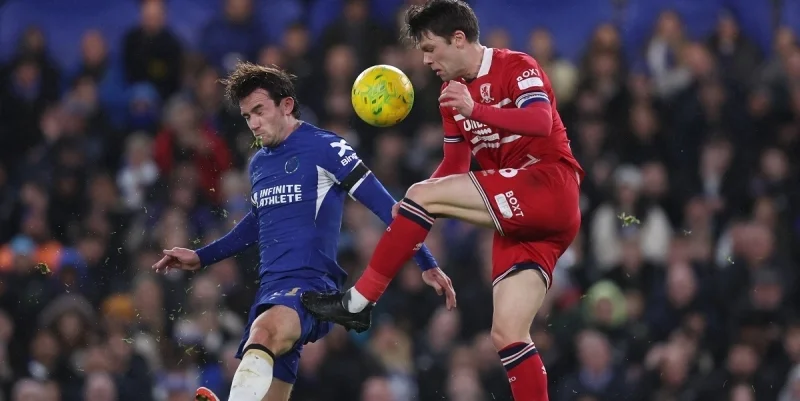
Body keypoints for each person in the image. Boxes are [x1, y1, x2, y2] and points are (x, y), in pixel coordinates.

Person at [300, 1, 584, 400]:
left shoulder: (517, 66)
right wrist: (415, 208)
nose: (426, 60)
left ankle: (359, 301)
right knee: (508, 334)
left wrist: (475, 111)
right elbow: (455, 164)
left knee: (421, 195)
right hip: (522, 218)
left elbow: (540, 121)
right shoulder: (451, 95)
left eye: (431, 49)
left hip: (548, 186)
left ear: (459, 39)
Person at [151, 61, 456, 401]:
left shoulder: (327, 148)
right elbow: (257, 222)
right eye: (247, 116)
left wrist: (426, 262)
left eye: (259, 111)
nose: (253, 123)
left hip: (310, 289)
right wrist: (201, 257)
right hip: (270, 290)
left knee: (262, 335)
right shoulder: (259, 163)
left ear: (286, 105)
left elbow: (390, 210)